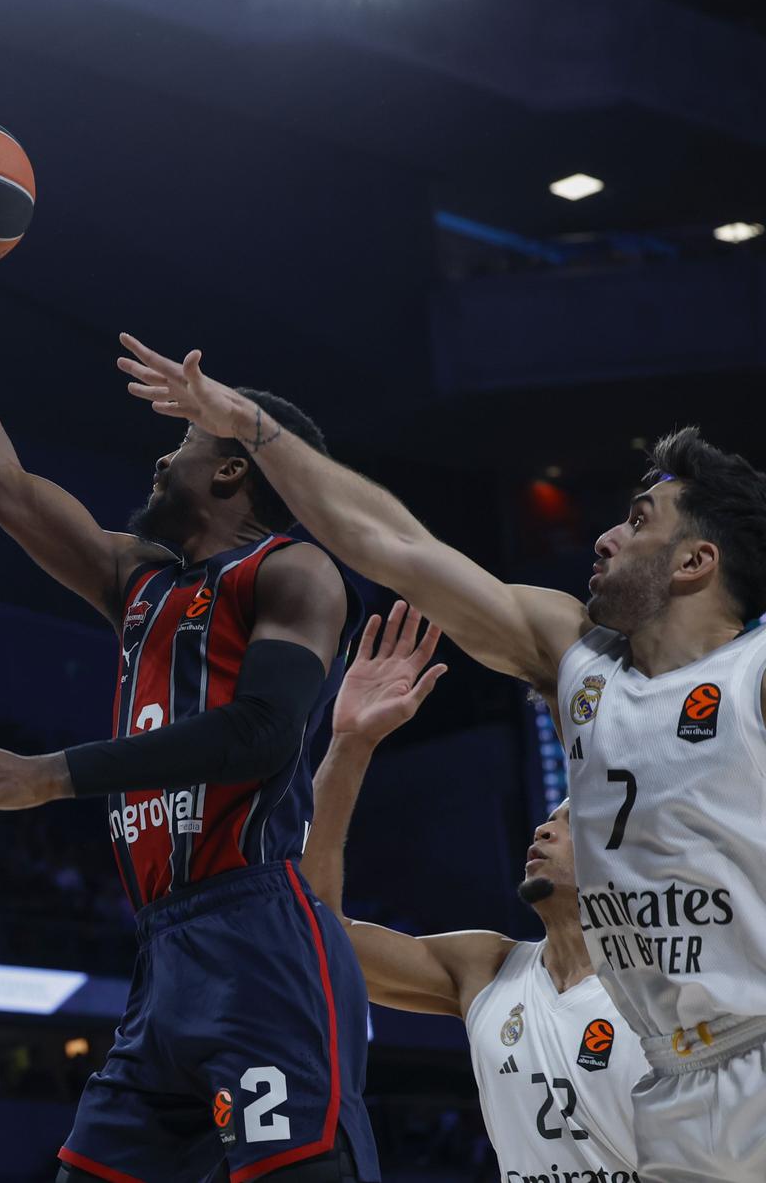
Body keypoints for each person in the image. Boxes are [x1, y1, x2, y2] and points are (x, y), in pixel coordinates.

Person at [116, 333, 766, 1180]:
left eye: (638, 522)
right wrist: (250, 427)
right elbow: (393, 544)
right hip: (680, 1087)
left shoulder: (750, 673)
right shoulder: (576, 658)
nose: (604, 537)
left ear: (694, 561)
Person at [0, 205, 376, 1181]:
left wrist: (52, 775)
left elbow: (264, 734)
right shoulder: (136, 582)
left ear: (233, 464)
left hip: (259, 938)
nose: (159, 454)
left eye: (182, 438)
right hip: (164, 956)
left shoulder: (293, 571)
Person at [305, 602, 644, 1176]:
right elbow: (314, 934)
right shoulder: (486, 968)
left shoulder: (672, 976)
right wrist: (350, 744)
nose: (543, 827)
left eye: (569, 821)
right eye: (548, 817)